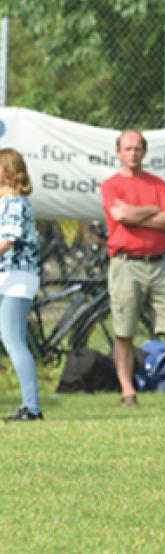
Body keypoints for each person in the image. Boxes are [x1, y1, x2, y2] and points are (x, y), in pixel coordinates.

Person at [101, 129, 165, 407]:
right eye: (127, 148)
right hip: (126, 264)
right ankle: (128, 393)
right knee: (124, 332)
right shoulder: (111, 185)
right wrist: (151, 210)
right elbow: (119, 215)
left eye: (137, 148)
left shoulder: (158, 184)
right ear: (119, 152)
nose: (133, 154)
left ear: (144, 152)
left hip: (159, 264)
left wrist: (135, 213)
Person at [0, 149, 42, 422]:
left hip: (18, 277)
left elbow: (8, 240)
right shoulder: (5, 202)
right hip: (7, 277)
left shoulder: (16, 203)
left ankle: (32, 407)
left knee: (13, 340)